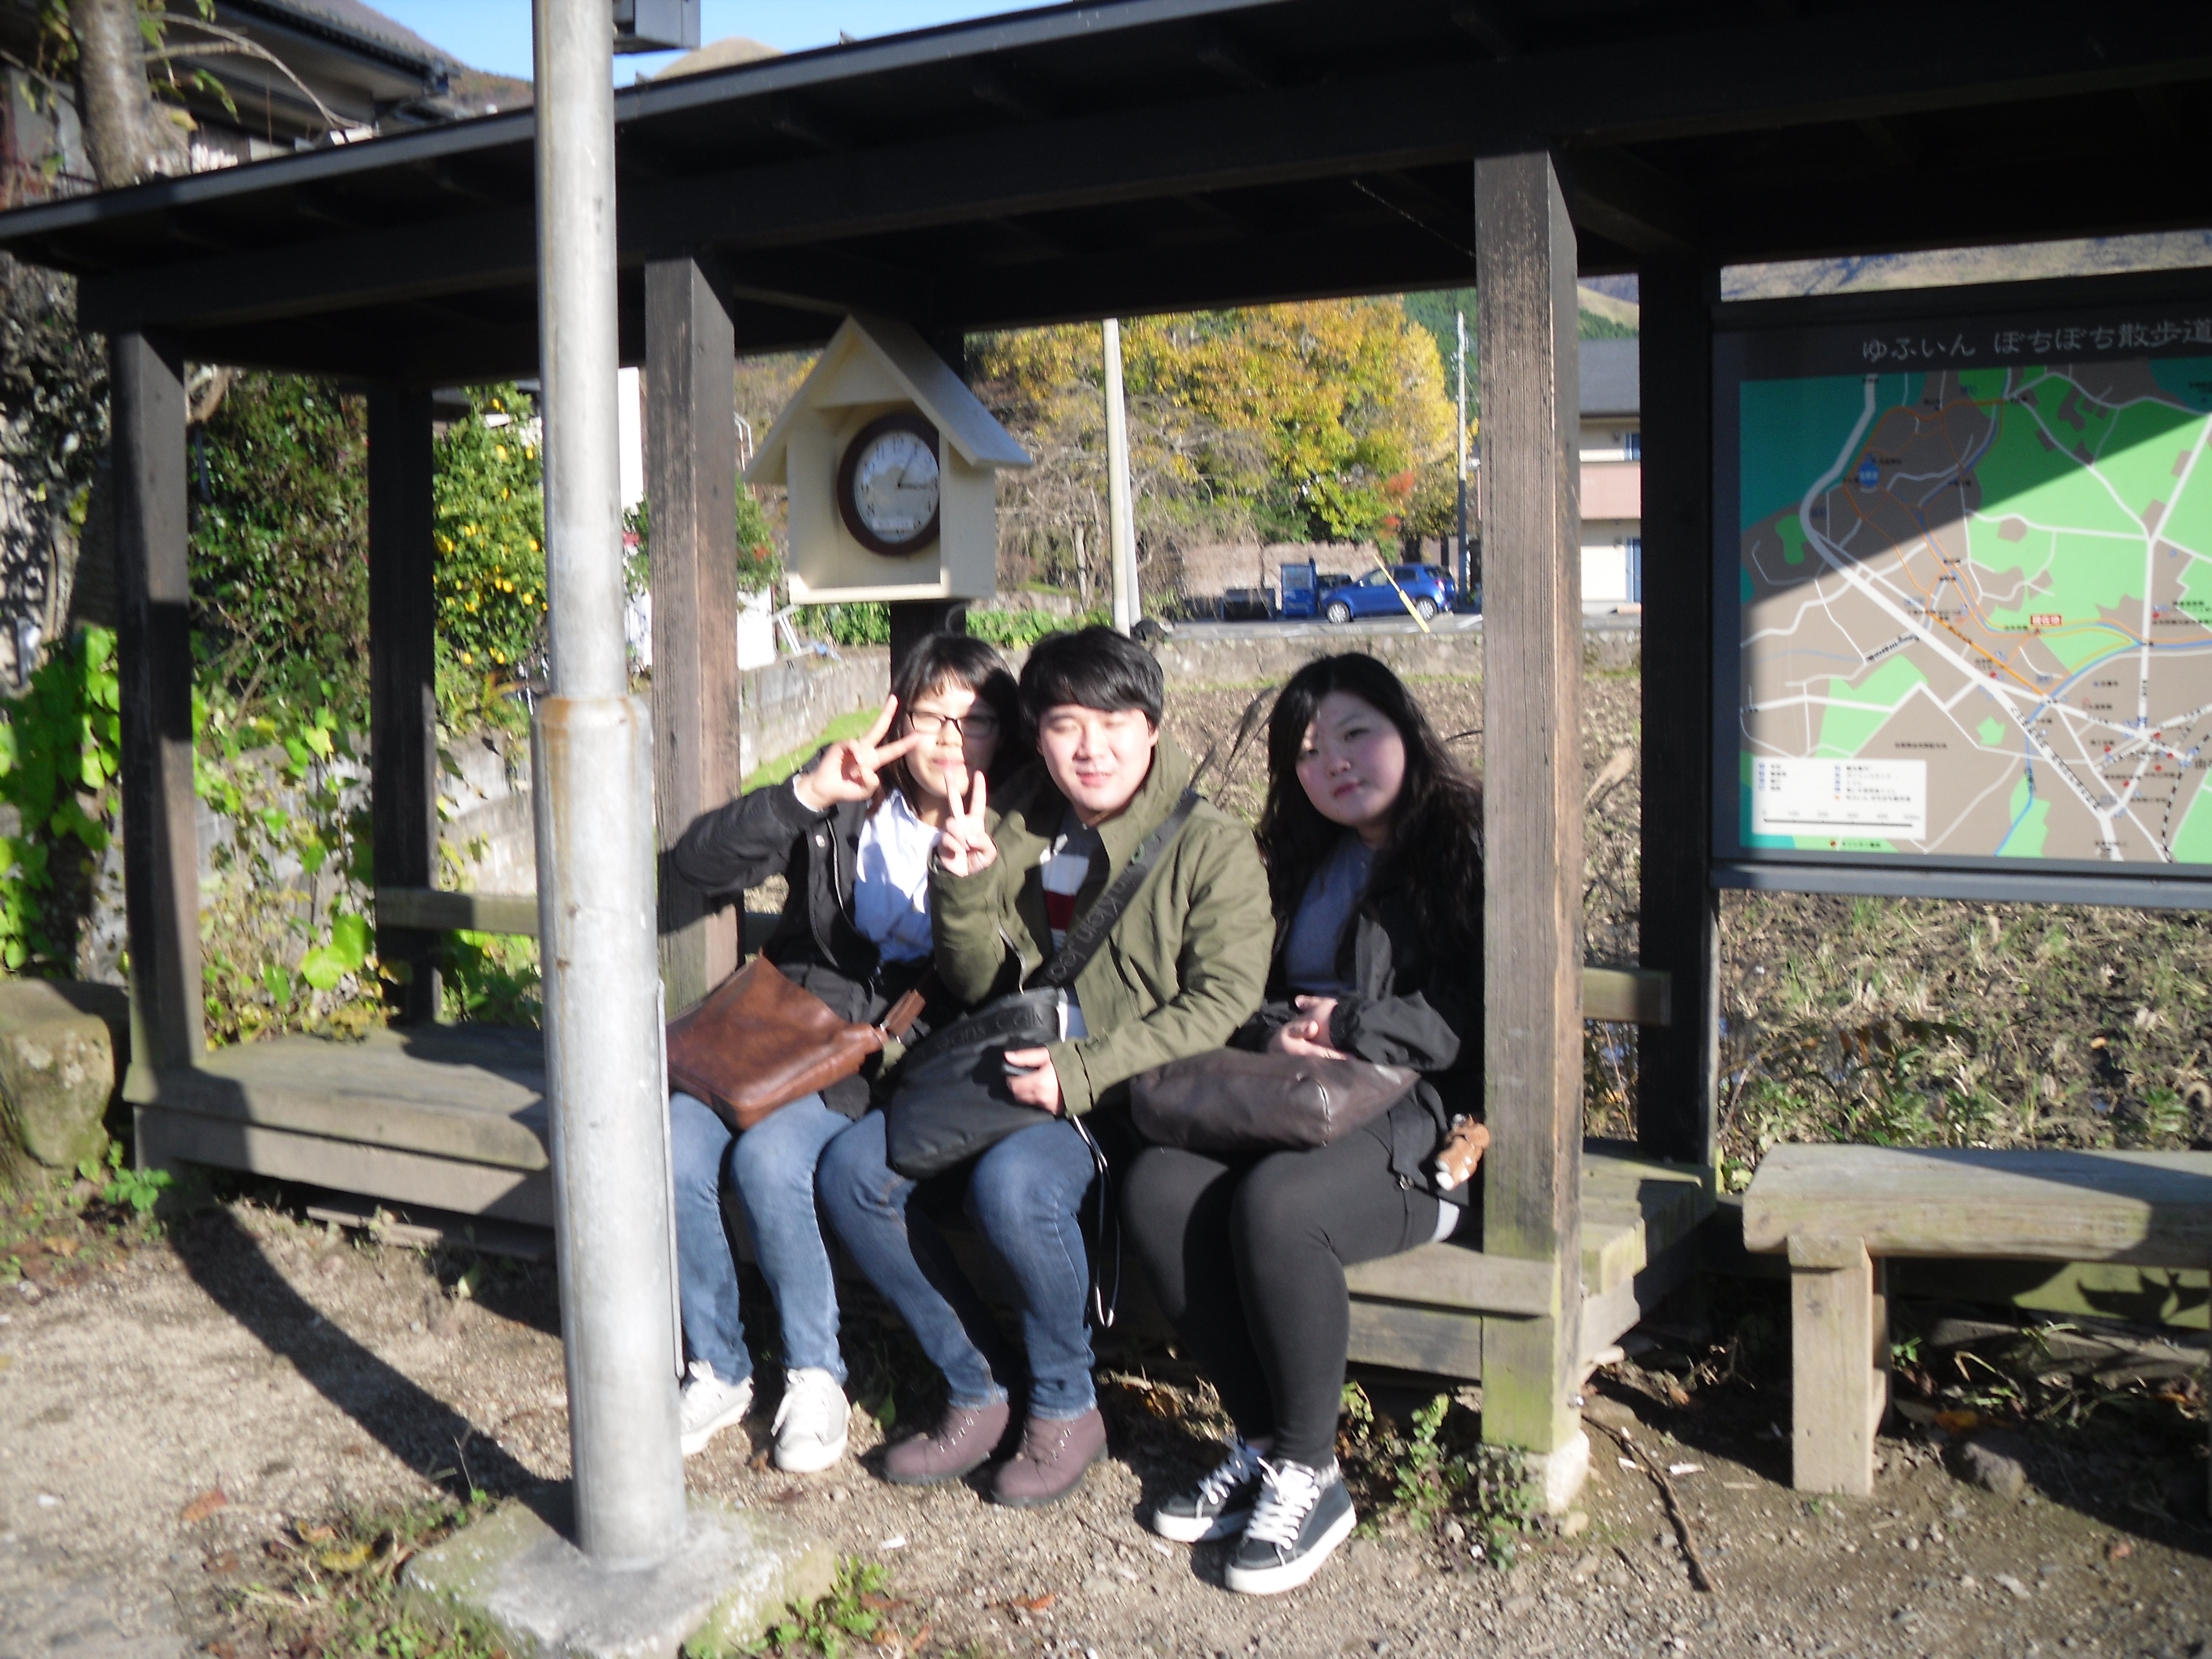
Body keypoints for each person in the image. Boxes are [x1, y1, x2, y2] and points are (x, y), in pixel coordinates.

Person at [818, 626, 1273, 1507]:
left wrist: (1083, 1072)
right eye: (1066, 725)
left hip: (1124, 1096)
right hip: (1013, 1065)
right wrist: (962, 883)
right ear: (1041, 734)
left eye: (1114, 723)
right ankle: (978, 1386)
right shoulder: (1018, 815)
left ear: (1152, 728)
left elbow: (1223, 1000)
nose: (1091, 748)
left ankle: (1066, 1408)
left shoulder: (1210, 845)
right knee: (852, 1173)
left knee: (1015, 1186)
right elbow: (976, 982)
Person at [1122, 652, 1484, 1595]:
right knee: (1159, 1187)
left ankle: (1311, 1471)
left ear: (1407, 729)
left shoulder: (1468, 845)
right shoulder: (1295, 857)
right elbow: (1237, 987)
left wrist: (1353, 1024)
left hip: (1425, 1120)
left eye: (1357, 734)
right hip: (1296, 1096)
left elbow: (1486, 1012)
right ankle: (1261, 1442)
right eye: (1310, 752)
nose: (1335, 764)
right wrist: (1276, 1030)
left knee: (1280, 1208)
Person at [665, 634, 1017, 1470]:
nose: (949, 739)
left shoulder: (1018, 827)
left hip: (886, 1055)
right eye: (930, 716)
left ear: (1004, 732)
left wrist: (971, 875)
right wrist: (808, 793)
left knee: (771, 1162)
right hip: (780, 1028)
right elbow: (698, 863)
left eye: (973, 721)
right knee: (673, 1144)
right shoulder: (851, 803)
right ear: (898, 718)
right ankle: (717, 1365)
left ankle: (814, 1372)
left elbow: (995, 979)